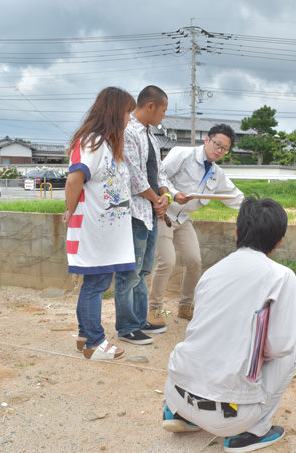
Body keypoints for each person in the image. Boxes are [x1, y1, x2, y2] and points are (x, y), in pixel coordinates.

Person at [161, 197, 296, 452]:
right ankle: (253, 432)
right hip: (230, 418)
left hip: (176, 393)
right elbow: (280, 345)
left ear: (237, 231)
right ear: (279, 241)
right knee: (291, 352)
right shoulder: (281, 277)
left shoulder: (212, 272)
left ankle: (179, 413)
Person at [63, 87, 136, 360]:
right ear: (116, 112)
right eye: (128, 111)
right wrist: (69, 211)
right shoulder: (91, 142)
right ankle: (95, 342)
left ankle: (85, 335)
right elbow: (74, 180)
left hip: (106, 232)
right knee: (95, 285)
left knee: (95, 283)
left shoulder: (106, 144)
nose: (129, 117)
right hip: (93, 229)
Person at [148, 124, 244, 322]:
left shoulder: (217, 174)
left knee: (194, 261)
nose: (219, 151)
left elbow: (234, 196)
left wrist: (258, 207)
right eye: (217, 144)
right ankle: (154, 308)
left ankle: (184, 306)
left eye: (224, 149)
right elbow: (159, 175)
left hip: (183, 220)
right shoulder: (182, 154)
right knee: (167, 260)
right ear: (207, 140)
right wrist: (173, 194)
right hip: (163, 215)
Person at [114, 85, 173, 346]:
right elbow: (134, 174)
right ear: (151, 106)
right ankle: (126, 326)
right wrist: (155, 199)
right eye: (163, 110)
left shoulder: (151, 135)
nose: (163, 116)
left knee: (143, 269)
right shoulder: (127, 132)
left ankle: (139, 320)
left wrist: (164, 195)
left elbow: (158, 170)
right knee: (129, 271)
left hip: (149, 212)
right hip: (134, 212)